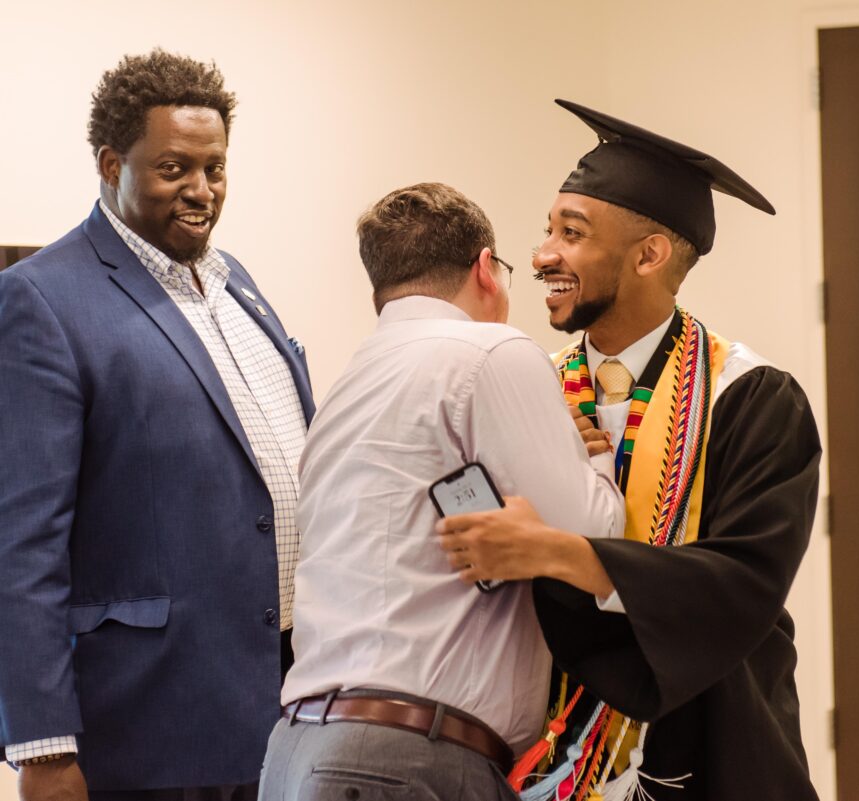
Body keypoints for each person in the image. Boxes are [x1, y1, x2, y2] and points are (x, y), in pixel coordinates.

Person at [435, 100, 823, 801]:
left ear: (649, 254)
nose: (541, 254)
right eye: (547, 229)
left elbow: (740, 584)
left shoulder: (752, 398)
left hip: (713, 752)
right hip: (541, 757)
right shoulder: (526, 391)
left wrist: (554, 550)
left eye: (571, 233)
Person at [0, 51, 314, 800]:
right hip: (150, 728)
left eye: (216, 168)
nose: (202, 190)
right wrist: (42, 747)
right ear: (112, 163)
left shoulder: (240, 283)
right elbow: (20, 544)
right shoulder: (40, 300)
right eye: (174, 168)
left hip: (285, 706)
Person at [258, 183, 624, 801]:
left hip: (298, 751)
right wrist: (598, 453)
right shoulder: (492, 350)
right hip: (406, 759)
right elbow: (593, 535)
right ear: (486, 268)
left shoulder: (349, 385)